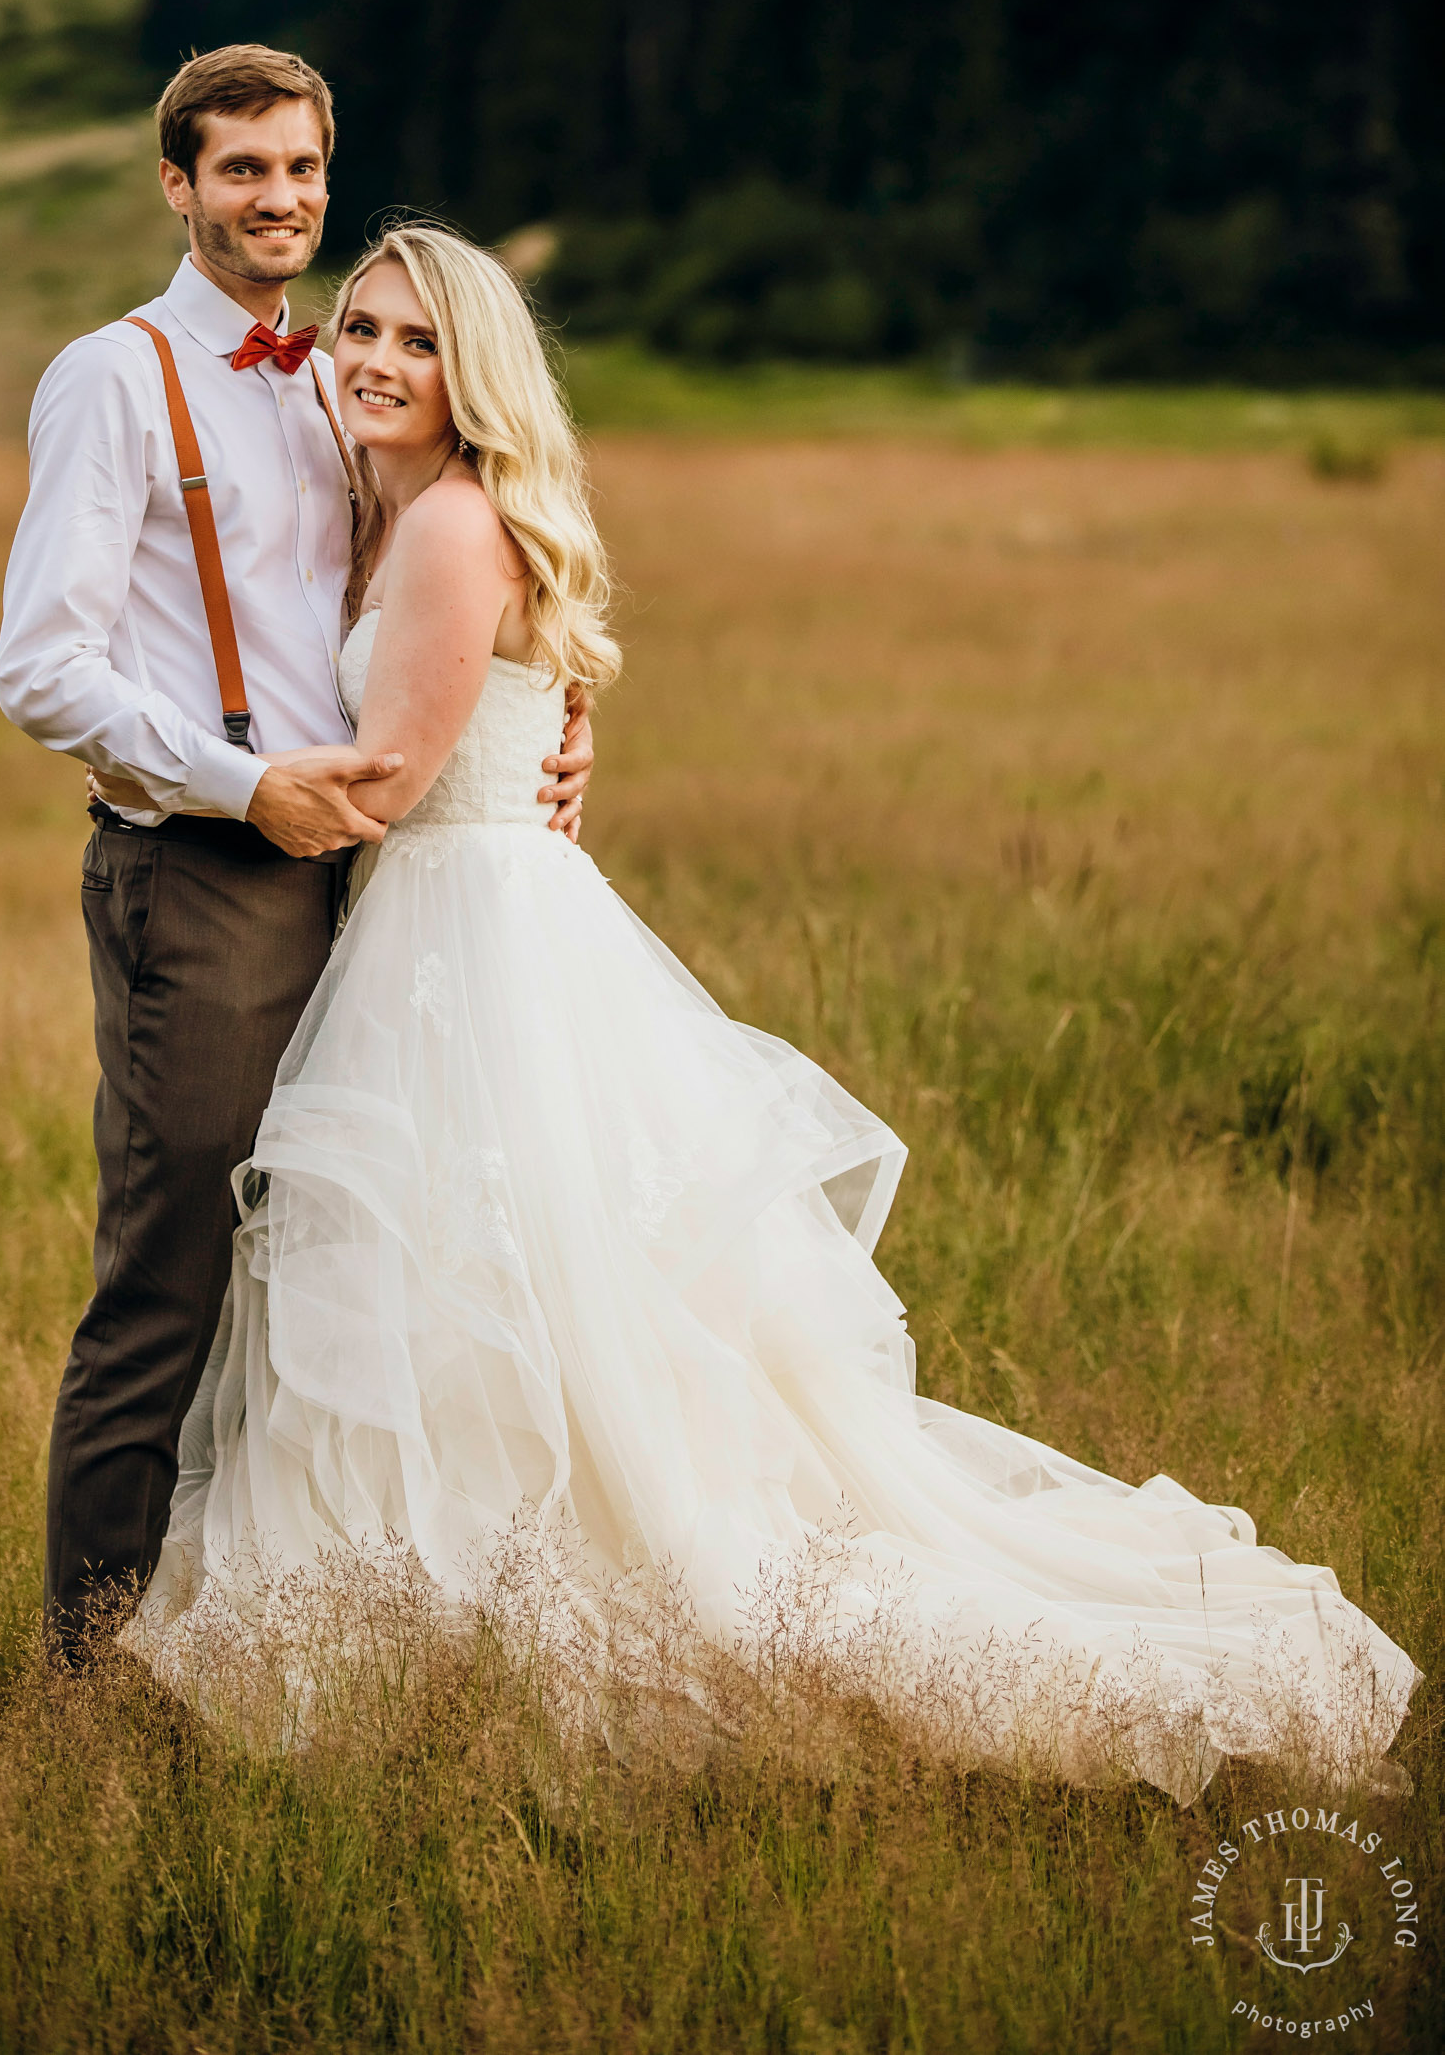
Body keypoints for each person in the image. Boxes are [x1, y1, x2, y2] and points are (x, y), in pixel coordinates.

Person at [120, 220, 1417, 1802]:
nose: (378, 363)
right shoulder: (391, 516)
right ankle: (419, 1608)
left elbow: (387, 783)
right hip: (458, 922)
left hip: (468, 944)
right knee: (473, 1304)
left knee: (487, 1294)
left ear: (478, 375)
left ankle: (462, 1621)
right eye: (361, 333)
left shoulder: (454, 529)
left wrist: (181, 788)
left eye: (418, 341)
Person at [0, 48, 593, 1664]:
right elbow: (40, 669)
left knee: (336, 1270)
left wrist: (552, 711)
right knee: (172, 1278)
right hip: (203, 875)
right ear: (178, 186)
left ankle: (277, 1631)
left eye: (304, 168)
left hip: (376, 883)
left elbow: (465, 557)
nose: (281, 199)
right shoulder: (112, 380)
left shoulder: (342, 378)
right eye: (244, 169)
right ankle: (88, 1670)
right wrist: (241, 785)